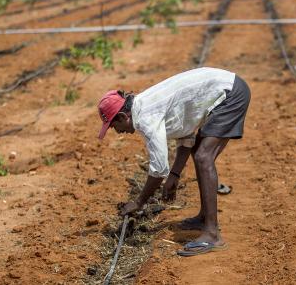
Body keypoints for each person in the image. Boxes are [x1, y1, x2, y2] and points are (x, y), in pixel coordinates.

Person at [97, 67, 250, 256]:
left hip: (230, 94)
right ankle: (204, 217)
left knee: (204, 157)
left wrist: (139, 202)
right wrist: (175, 175)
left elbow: (159, 169)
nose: (117, 131)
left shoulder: (146, 118)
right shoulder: (143, 106)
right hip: (228, 87)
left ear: (122, 116)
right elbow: (186, 134)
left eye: (114, 126)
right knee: (199, 152)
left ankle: (212, 234)